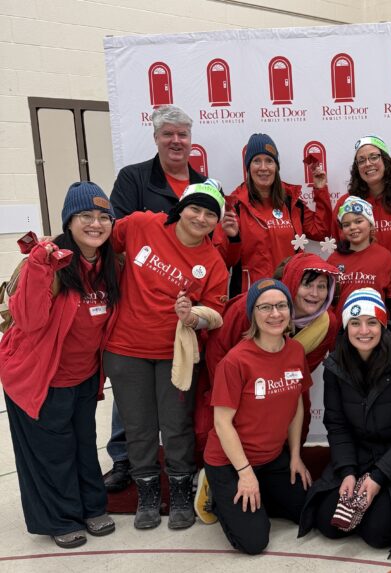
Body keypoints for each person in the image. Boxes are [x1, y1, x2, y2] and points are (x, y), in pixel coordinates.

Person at [0, 182, 120, 548]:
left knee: (84, 444)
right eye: (86, 215)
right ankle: (59, 517)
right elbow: (31, 320)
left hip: (82, 376)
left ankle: (90, 506)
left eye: (103, 217)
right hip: (39, 377)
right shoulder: (48, 263)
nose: (95, 223)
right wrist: (38, 263)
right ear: (69, 221)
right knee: (52, 453)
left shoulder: (107, 265)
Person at [104, 181, 229, 531]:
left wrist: (193, 316)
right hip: (125, 348)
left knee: (176, 426)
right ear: (181, 207)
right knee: (138, 426)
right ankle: (146, 490)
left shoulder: (213, 263)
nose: (201, 218)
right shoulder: (143, 224)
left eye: (210, 214)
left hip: (175, 354)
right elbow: (100, 246)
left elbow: (215, 312)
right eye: (196, 209)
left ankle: (178, 490)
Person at [105, 104, 207, 493]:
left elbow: (209, 246)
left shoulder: (202, 182)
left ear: (191, 140)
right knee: (132, 396)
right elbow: (117, 234)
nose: (176, 141)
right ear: (156, 138)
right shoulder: (134, 178)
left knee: (174, 399)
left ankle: (178, 464)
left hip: (181, 310)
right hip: (139, 303)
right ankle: (123, 459)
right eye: (169, 134)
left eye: (182, 134)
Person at [194, 252, 340, 523]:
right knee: (217, 423)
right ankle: (218, 481)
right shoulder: (246, 309)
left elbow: (305, 367)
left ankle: (276, 475)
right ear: (292, 282)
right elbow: (219, 350)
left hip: (282, 378)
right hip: (235, 379)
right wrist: (231, 390)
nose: (315, 293)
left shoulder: (326, 323)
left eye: (323, 286)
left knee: (300, 412)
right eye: (308, 284)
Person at [299, 288, 391, 552]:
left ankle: (379, 496)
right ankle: (364, 490)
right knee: (328, 523)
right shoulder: (335, 366)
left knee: (379, 533)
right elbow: (337, 425)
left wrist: (378, 477)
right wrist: (348, 471)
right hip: (361, 454)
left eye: (372, 322)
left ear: (383, 324)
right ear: (346, 327)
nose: (364, 330)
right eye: (355, 323)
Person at [203, 278, 312, 555]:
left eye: (281, 306)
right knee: (254, 541)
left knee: (308, 511)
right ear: (252, 313)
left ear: (290, 311)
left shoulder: (296, 351)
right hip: (231, 462)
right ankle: (216, 493)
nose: (275, 314)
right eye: (265, 307)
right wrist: (244, 473)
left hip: (272, 459)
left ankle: (258, 493)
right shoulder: (236, 361)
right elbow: (221, 422)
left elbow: (296, 404)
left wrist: (296, 456)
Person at [214, 133, 332, 295]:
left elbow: (321, 231)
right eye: (256, 161)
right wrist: (233, 238)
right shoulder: (235, 206)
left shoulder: (291, 202)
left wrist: (320, 190)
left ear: (276, 166)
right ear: (248, 167)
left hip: (290, 294)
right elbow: (221, 262)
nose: (263, 167)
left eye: (269, 161)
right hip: (252, 299)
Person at [332, 135, 391, 254]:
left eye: (374, 157)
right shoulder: (345, 203)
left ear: (386, 161)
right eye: (361, 160)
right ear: (357, 168)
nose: (368, 163)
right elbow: (339, 244)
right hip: (361, 272)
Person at [327, 196, 391, 323]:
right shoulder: (333, 259)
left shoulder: (385, 257)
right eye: (346, 225)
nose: (352, 227)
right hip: (340, 329)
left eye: (358, 221)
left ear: (370, 224)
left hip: (375, 328)